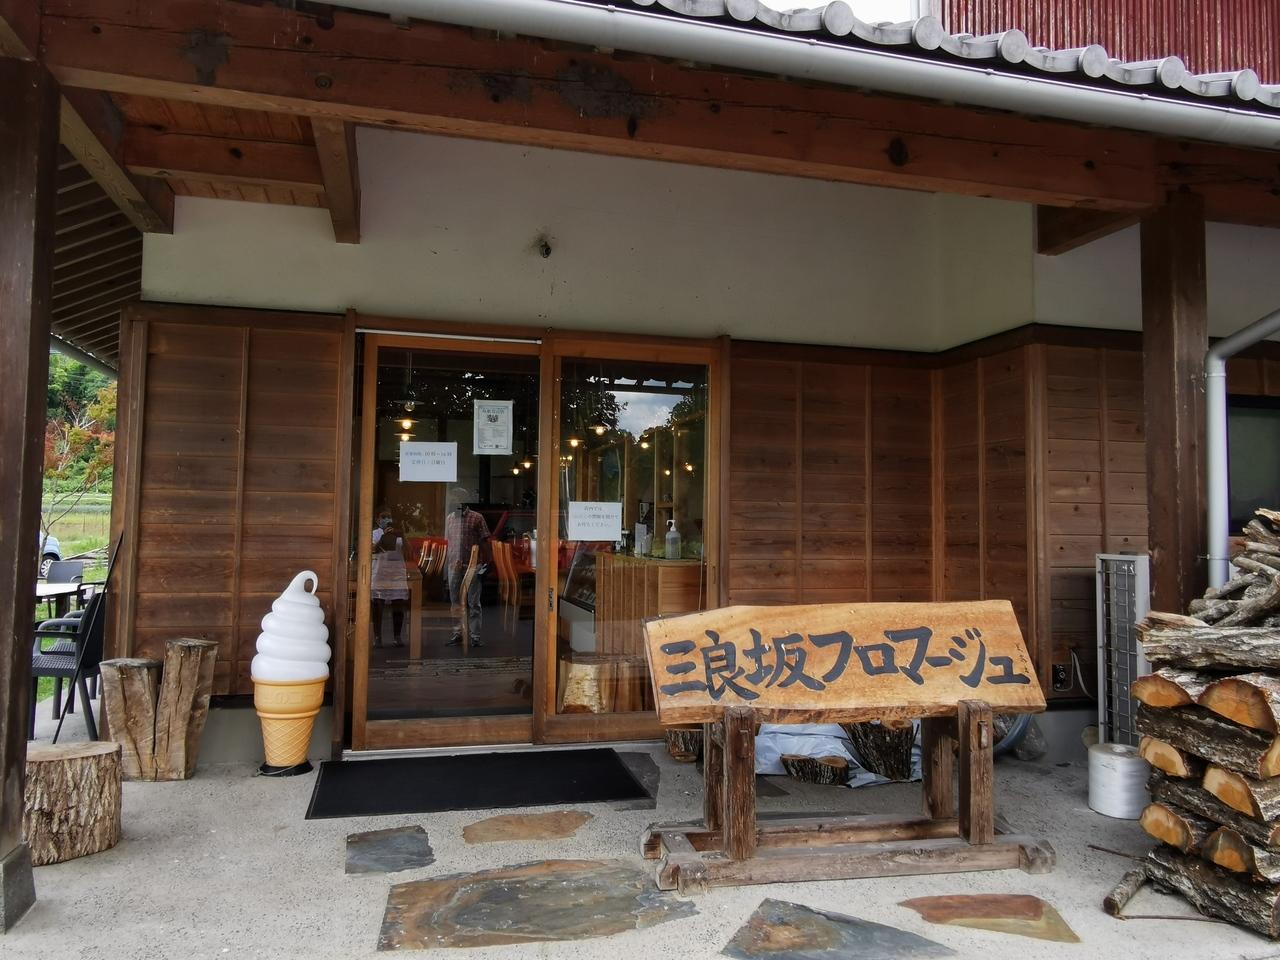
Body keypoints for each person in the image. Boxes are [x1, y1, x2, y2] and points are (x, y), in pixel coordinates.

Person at [444, 487, 490, 648]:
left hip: (473, 565)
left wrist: (486, 562)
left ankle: (475, 636)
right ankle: (457, 633)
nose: (453, 501)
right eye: (452, 498)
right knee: (455, 601)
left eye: (456, 498)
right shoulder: (450, 518)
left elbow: (484, 540)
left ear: (463, 500)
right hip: (454, 564)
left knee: (473, 602)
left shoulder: (477, 517)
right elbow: (449, 541)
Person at [370, 507, 408, 647]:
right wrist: (383, 538)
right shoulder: (374, 534)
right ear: (378, 520)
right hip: (380, 571)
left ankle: (397, 636)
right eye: (383, 517)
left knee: (398, 602)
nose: (386, 520)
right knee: (377, 603)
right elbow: (372, 550)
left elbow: (408, 551)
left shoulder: (398, 533)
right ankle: (377, 637)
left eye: (389, 517)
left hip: (397, 571)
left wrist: (402, 535)